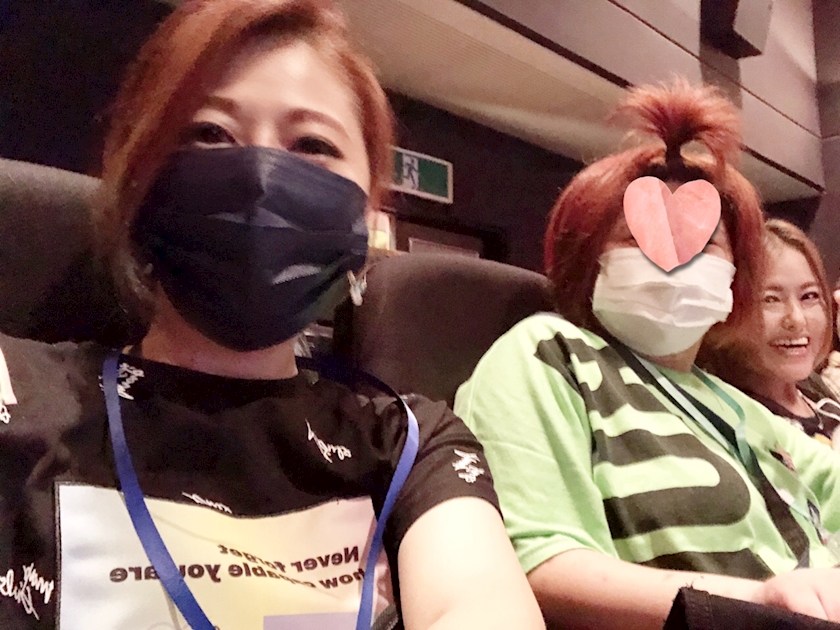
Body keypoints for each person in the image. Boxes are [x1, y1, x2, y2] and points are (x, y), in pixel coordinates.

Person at [0, 1, 544, 629]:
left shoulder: (408, 441)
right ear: (137, 177)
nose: (260, 178)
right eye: (208, 133)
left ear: (367, 213)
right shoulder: (17, 387)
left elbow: (477, 604)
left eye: (313, 145)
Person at [454, 79, 840, 630]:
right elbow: (534, 561)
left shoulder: (732, 404)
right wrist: (759, 603)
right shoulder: (549, 354)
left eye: (705, 244)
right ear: (589, 257)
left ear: (736, 275)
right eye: (639, 240)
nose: (675, 262)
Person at [702, 219, 840, 450]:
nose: (796, 319)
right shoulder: (734, 425)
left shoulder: (816, 395)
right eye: (770, 299)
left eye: (809, 296)